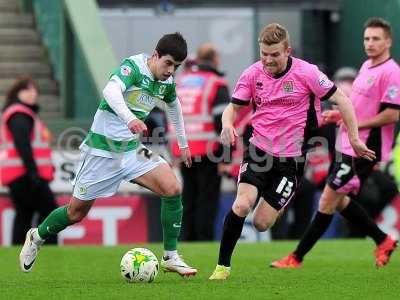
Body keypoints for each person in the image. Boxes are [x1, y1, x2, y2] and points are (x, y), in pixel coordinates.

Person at [19, 32, 197, 276]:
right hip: (102, 152)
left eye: (176, 67)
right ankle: (37, 237)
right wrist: (131, 118)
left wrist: (184, 144)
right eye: (168, 63)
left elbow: (174, 107)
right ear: (155, 55)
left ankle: (171, 256)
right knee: (75, 212)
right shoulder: (133, 67)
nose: (170, 71)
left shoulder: (166, 82)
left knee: (172, 188)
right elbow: (110, 92)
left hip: (131, 151)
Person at [209, 23, 375, 280]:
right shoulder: (253, 74)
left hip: (291, 160)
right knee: (242, 204)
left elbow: (342, 99)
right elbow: (233, 107)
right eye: (264, 53)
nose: (268, 59)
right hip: (259, 152)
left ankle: (276, 204)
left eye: (274, 54)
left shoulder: (307, 73)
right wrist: (227, 124)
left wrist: (353, 138)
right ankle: (222, 267)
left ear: (288, 50)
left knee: (263, 223)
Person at [271, 17, 399, 269]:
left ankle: (296, 257)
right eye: (366, 38)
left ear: (388, 42)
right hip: (346, 145)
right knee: (339, 200)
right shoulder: (366, 66)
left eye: (376, 39)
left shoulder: (391, 72)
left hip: (363, 149)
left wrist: (354, 126)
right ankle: (383, 240)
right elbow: (361, 108)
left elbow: (393, 114)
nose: (370, 43)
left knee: (327, 200)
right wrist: (341, 116)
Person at [170, 43, 230, 241]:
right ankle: (203, 241)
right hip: (209, 151)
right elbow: (223, 122)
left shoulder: (181, 81)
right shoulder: (216, 83)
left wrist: (174, 153)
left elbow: (172, 118)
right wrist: (225, 156)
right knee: (207, 200)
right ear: (214, 59)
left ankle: (186, 241)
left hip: (184, 150)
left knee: (188, 198)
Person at [0, 76, 58, 245]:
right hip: (25, 175)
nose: (33, 93)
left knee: (23, 215)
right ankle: (49, 250)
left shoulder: (19, 113)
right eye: (27, 89)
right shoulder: (19, 114)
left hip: (18, 175)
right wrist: (33, 173)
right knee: (50, 212)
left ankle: (19, 253)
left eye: (35, 90)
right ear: (18, 93)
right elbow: (23, 145)